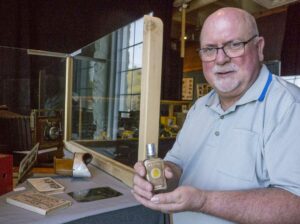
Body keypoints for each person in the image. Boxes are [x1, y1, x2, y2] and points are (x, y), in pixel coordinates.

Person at [132, 7, 300, 224]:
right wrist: (161, 174)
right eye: (209, 49)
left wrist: (203, 201)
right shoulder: (200, 106)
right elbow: (177, 164)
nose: (220, 59)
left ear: (259, 48)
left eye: (234, 45)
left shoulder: (289, 107)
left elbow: (295, 205)